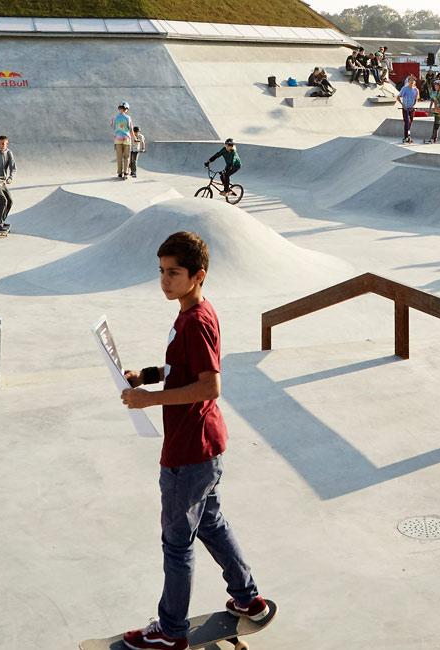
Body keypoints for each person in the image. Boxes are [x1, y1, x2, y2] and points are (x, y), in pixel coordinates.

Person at [117, 231, 269, 650]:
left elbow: (209, 386)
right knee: (212, 523)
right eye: (161, 272)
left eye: (174, 273)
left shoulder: (197, 321)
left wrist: (149, 399)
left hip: (189, 450)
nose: (164, 280)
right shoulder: (190, 314)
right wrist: (144, 377)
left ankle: (171, 631)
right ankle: (248, 600)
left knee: (177, 543)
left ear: (198, 275)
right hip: (205, 447)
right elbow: (179, 368)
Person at [113, 102, 134, 179]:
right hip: (126, 138)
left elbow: (113, 126)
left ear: (119, 108)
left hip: (117, 138)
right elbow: (131, 129)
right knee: (126, 157)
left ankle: (119, 173)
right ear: (127, 109)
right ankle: (125, 173)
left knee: (119, 157)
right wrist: (134, 138)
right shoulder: (128, 117)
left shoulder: (115, 117)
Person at [397, 76, 419, 144]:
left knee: (410, 122)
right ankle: (406, 136)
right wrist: (403, 105)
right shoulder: (404, 88)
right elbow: (398, 97)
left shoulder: (416, 90)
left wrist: (413, 106)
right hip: (405, 108)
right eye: (411, 80)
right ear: (408, 81)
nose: (412, 82)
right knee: (406, 122)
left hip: (412, 108)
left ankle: (408, 136)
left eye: (413, 81)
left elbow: (416, 99)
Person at [425, 79, 440, 144]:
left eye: (436, 85)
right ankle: (433, 138)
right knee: (436, 125)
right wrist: (429, 109)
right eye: (435, 85)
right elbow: (432, 101)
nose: (435, 87)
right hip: (436, 111)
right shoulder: (433, 93)